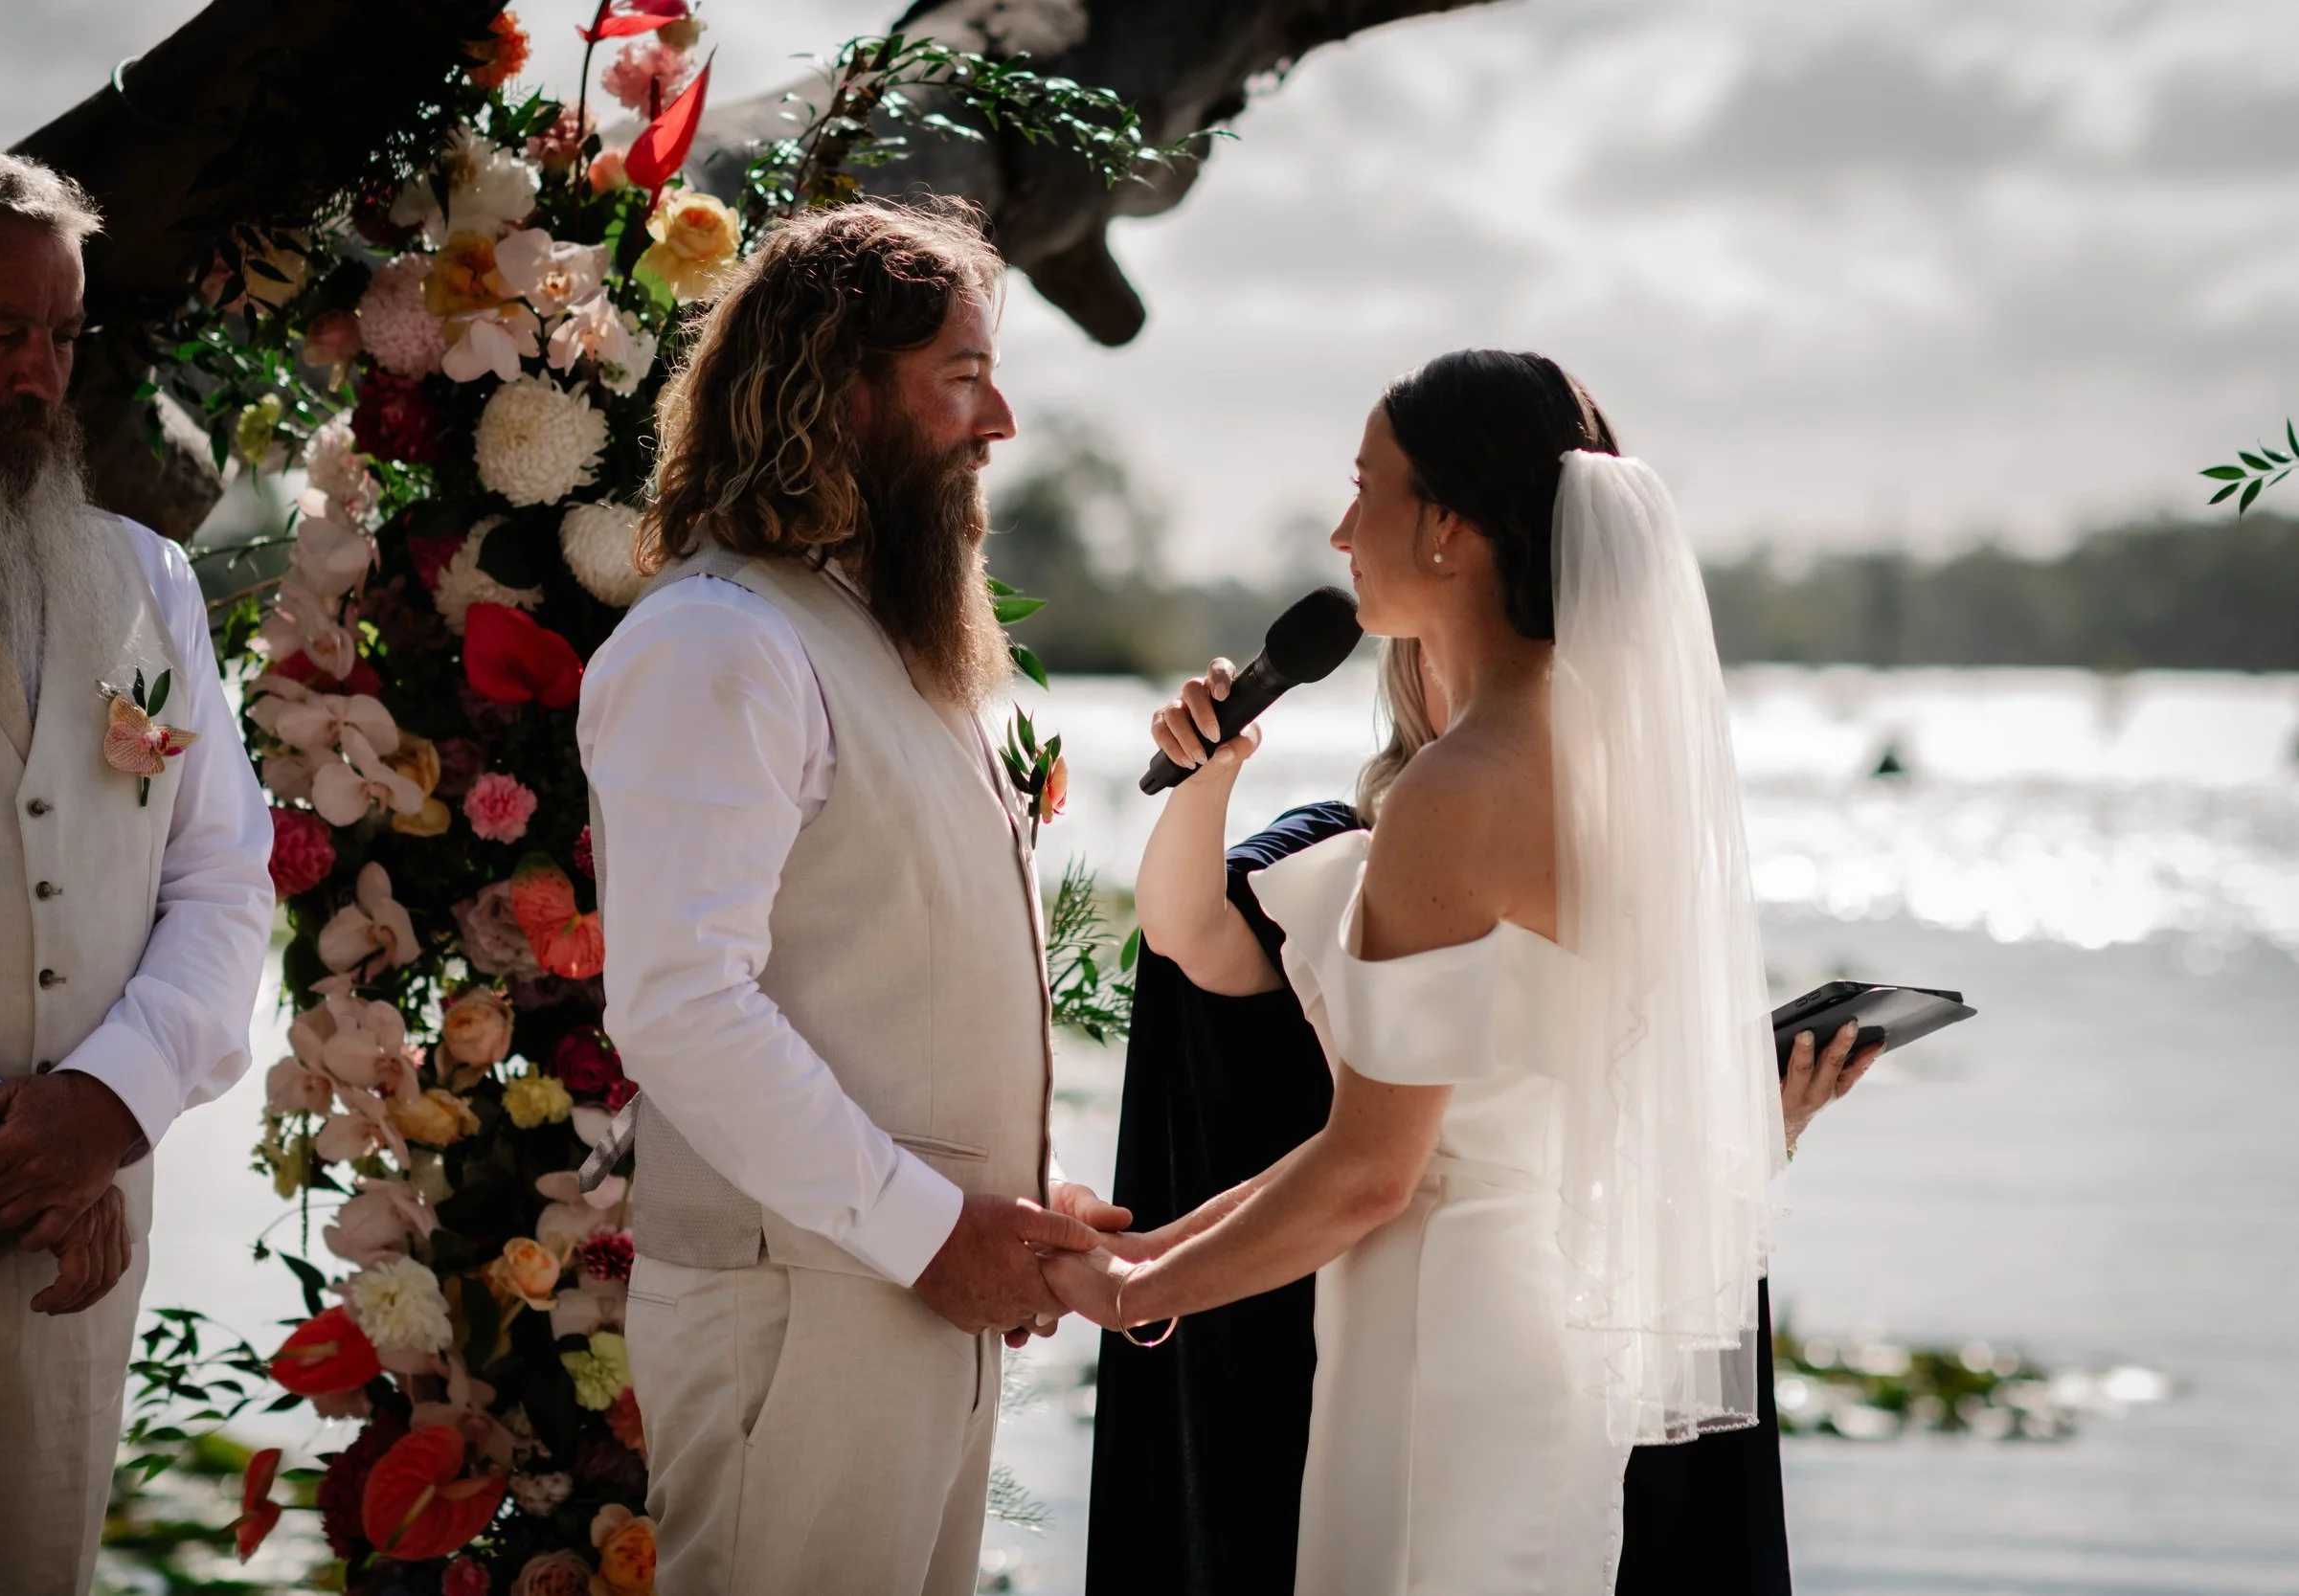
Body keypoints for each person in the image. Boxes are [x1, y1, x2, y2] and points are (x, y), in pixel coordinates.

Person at [1046, 349, 1794, 1592]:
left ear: (1447, 527)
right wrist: (1151, 1249)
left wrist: (1131, 1295)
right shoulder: (1611, 765)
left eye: (1365, 489)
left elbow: (1372, 1171)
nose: (1341, 531)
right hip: (1538, 1327)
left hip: (1443, 1342)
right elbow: (1409, 1137)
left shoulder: (1460, 788)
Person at [1091, 637, 1881, 1595]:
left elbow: (1626, 1157)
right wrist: (1206, 779)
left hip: (1537, 1322)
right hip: (1368, 1314)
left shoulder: (1623, 882)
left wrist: (1764, 1127)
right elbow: (1190, 932)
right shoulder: (1342, 850)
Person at [577, 200, 1117, 1596]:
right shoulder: (720, 641)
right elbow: (681, 1003)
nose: (999, 419)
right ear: (838, 392)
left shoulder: (882, 636)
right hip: (801, 1319)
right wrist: (935, 1229)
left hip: (917, 1291)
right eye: (960, 375)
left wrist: (1012, 1200)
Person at [0, 144, 274, 1590]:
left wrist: (115, 1100)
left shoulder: (146, 579)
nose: (38, 376)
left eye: (61, 336)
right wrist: (13, 1149)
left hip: (76, 1275)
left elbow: (222, 879)